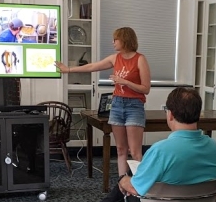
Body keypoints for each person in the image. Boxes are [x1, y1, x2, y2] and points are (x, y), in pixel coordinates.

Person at [65, 88, 216, 202]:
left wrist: (123, 180)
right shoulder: (212, 146)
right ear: (198, 114)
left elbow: (135, 189)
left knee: (128, 190)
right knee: (132, 183)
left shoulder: (162, 150)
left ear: (169, 114)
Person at [55, 27, 150, 176]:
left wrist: (124, 82)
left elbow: (145, 89)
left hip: (134, 106)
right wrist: (68, 70)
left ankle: (140, 186)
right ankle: (122, 184)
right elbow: (93, 66)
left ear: (125, 40)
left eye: (116, 39)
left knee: (135, 151)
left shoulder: (140, 59)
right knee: (120, 149)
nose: (113, 42)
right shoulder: (115, 58)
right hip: (117, 104)